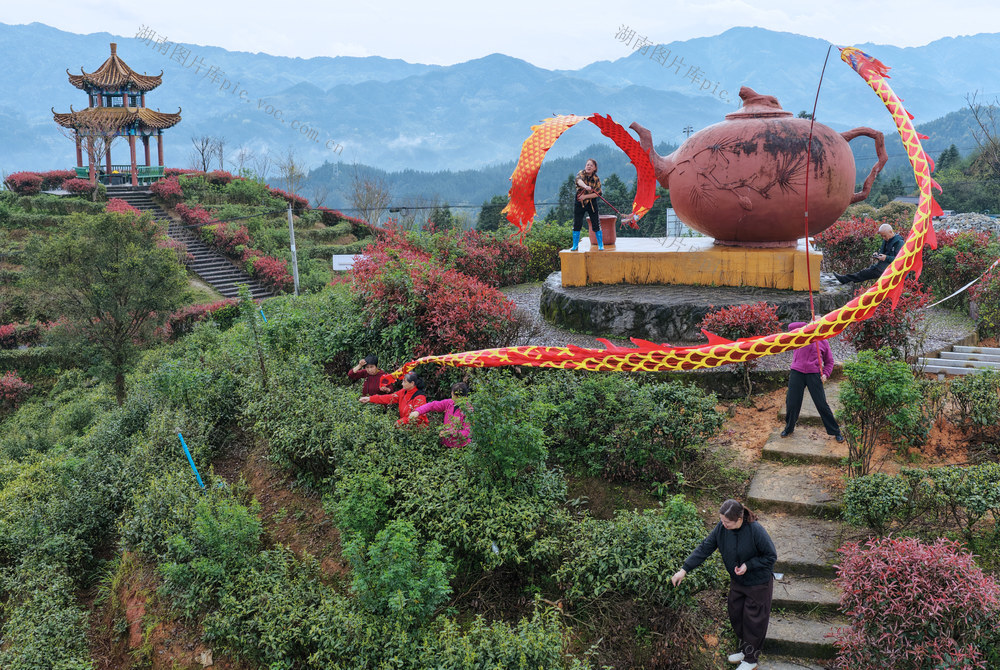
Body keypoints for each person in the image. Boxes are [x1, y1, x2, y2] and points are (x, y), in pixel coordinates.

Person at [671, 500, 777, 670]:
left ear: (739, 519)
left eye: (727, 522)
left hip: (758, 583)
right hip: (738, 581)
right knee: (736, 615)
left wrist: (748, 565)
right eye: (722, 520)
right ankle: (745, 651)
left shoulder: (755, 530)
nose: (723, 524)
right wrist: (684, 569)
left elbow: (771, 556)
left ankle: (751, 660)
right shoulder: (722, 528)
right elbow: (705, 547)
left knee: (753, 620)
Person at [782, 323, 844, 441]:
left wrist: (826, 374)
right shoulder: (801, 334)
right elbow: (790, 326)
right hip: (797, 372)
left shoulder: (823, 341)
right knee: (792, 402)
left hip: (813, 374)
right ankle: (789, 428)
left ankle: (835, 431)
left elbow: (830, 361)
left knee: (821, 404)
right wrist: (809, 325)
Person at [834, 223, 904, 283]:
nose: (883, 238)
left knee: (865, 273)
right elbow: (882, 253)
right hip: (884, 267)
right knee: (864, 273)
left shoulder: (899, 243)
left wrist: (886, 257)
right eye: (882, 236)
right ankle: (845, 279)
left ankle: (845, 279)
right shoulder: (886, 240)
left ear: (891, 232)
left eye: (884, 235)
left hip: (894, 271)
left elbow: (900, 260)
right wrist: (878, 255)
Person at [408, 381, 472, 448]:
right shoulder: (449, 403)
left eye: (454, 395)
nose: (452, 397)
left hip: (461, 448)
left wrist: (449, 433)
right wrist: (417, 411)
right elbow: (432, 405)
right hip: (446, 445)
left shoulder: (468, 410)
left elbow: (467, 432)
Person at [360, 371, 429, 426]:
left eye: (404, 381)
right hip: (405, 427)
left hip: (417, 432)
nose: (402, 384)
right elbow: (389, 398)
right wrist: (370, 399)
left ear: (412, 383)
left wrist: (400, 422)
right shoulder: (404, 392)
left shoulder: (420, 398)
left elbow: (418, 417)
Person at [571, 158, 603, 251]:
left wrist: (586, 196)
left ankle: (600, 245)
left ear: (595, 168)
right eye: (587, 165)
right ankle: (575, 245)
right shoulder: (581, 173)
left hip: (591, 203)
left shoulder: (596, 179)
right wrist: (585, 186)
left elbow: (598, 193)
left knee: (596, 223)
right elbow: (578, 181)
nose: (589, 166)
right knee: (577, 223)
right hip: (579, 202)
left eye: (591, 165)